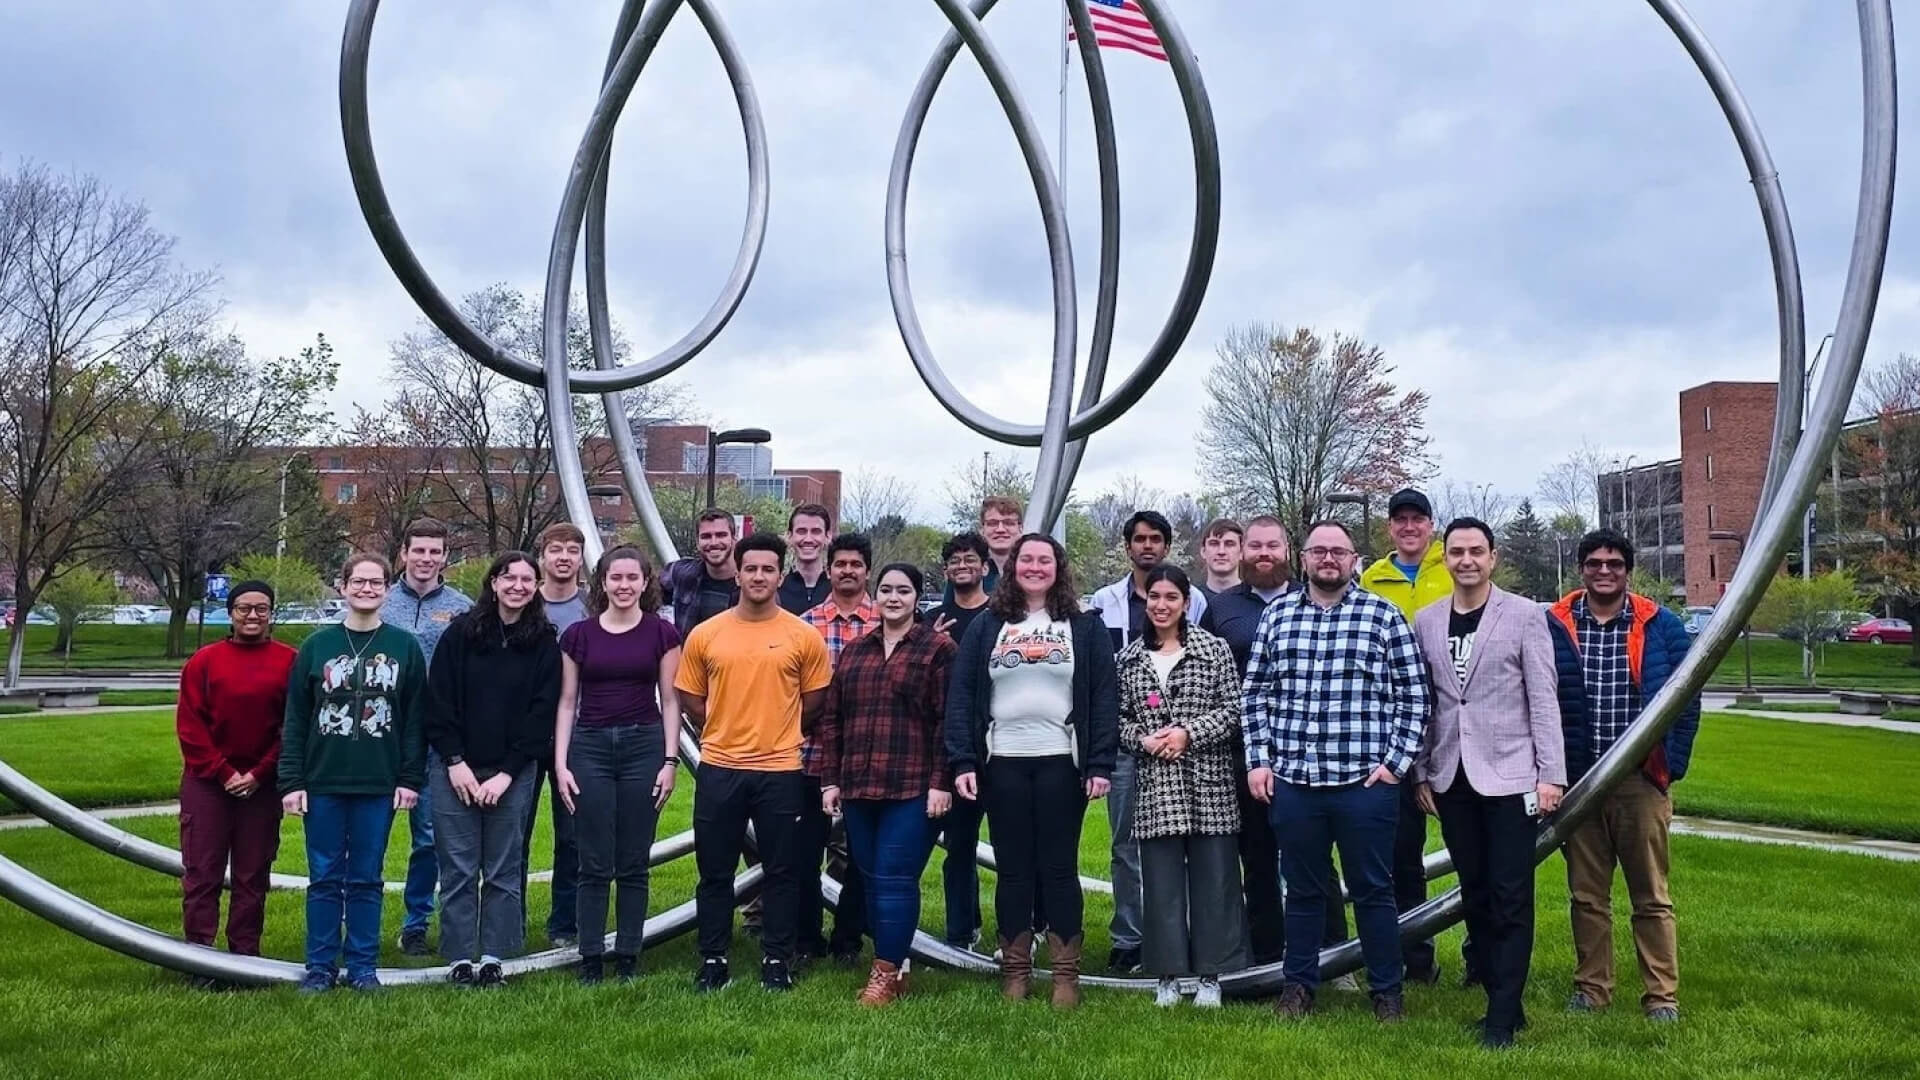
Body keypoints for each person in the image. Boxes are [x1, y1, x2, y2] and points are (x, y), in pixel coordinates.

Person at [1245, 520, 1430, 1022]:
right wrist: (1259, 761)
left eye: (1339, 552)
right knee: (1303, 893)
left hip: (1363, 784)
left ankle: (1386, 991)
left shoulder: (1383, 617)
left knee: (1373, 890)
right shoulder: (1278, 617)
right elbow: (1256, 693)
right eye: (1319, 551)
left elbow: (1415, 697)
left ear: (1354, 561)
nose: (1329, 559)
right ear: (1303, 558)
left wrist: (1395, 765)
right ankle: (1298, 987)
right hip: (1295, 783)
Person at [1410, 518, 1566, 1048]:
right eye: (1457, 552)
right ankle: (1501, 996)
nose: (1467, 560)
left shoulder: (1523, 616)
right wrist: (1423, 769)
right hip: (1452, 777)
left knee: (1510, 893)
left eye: (1476, 551)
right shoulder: (1427, 621)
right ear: (1445, 559)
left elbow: (1544, 699)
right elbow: (1427, 704)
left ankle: (1503, 1014)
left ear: (1493, 557)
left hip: (1511, 776)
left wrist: (1552, 775)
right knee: (1475, 893)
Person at [946, 532, 1117, 1009]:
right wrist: (963, 759)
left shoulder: (1082, 626)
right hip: (1003, 762)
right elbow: (962, 696)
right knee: (1014, 870)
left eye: (1045, 560)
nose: (1035, 567)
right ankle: (1016, 970)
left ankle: (1065, 975)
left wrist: (1100, 762)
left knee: (1059, 869)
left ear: (1058, 567)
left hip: (1062, 763)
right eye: (1027, 560)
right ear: (1012, 567)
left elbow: (1104, 697)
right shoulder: (988, 626)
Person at [1549, 528, 1699, 1023]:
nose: (1604, 571)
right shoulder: (1555, 624)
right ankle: (1592, 989)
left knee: (1650, 895)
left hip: (1639, 780)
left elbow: (1687, 698)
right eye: (1594, 563)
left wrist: (1668, 765)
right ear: (1582, 569)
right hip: (1581, 782)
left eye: (1614, 563)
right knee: (1587, 896)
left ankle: (1662, 996)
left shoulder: (1662, 625)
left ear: (1627, 570)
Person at [676, 533, 833, 992]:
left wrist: (777, 729)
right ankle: (713, 957)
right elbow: (690, 696)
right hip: (720, 765)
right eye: (751, 569)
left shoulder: (802, 635)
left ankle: (776, 960)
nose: (759, 576)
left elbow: (815, 700)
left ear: (779, 574)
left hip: (782, 769)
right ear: (738, 573)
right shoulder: (707, 634)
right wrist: (724, 725)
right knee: (715, 871)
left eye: (768, 569)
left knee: (783, 870)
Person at [280, 552, 427, 993]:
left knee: (367, 876)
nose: (367, 589)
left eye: (376, 583)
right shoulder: (316, 647)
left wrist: (409, 778)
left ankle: (363, 965)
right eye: (358, 582)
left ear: (386, 589)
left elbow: (415, 721)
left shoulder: (404, 647)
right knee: (324, 877)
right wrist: (292, 782)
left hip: (377, 783)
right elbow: (296, 719)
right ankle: (320, 964)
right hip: (323, 780)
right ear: (342, 587)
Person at [816, 562, 957, 1005]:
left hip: (913, 785)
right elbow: (833, 720)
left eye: (904, 590)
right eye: (886, 590)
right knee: (874, 878)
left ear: (918, 597)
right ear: (874, 597)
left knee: (896, 876)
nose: (894, 598)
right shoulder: (855, 652)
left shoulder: (938, 651)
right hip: (859, 783)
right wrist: (830, 781)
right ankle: (899, 963)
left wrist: (941, 783)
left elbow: (946, 723)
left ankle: (884, 974)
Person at [425, 551, 561, 988]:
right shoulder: (459, 634)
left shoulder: (544, 642)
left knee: (503, 867)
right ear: (495, 582)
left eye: (527, 579)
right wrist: (455, 763)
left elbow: (542, 714)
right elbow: (438, 703)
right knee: (459, 866)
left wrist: (507, 774)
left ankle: (494, 956)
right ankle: (460, 958)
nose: (518, 586)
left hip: (513, 772)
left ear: (536, 587)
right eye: (510, 578)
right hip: (456, 770)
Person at [1118, 564, 1246, 1009]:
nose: (1161, 605)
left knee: (1215, 881)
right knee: (1161, 884)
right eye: (1154, 597)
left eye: (1171, 597)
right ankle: (1168, 975)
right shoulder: (1129, 659)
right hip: (1157, 785)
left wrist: (1188, 733)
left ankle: (1212, 974)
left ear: (1186, 603)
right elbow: (1119, 720)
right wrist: (1144, 739)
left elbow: (1233, 710)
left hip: (1209, 782)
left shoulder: (1215, 651)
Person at [554, 545, 684, 984]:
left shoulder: (662, 634)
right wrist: (562, 763)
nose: (624, 586)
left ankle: (629, 952)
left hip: (643, 746)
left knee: (632, 860)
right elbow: (567, 702)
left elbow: (670, 700)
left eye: (632, 578)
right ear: (603, 583)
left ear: (645, 583)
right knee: (591, 860)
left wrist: (670, 760)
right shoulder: (578, 636)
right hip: (589, 747)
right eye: (616, 578)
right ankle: (590, 955)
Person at [1087, 510, 1206, 975]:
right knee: (1125, 844)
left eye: (1156, 539)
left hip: (1177, 741)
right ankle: (1129, 937)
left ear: (1168, 546)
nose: (1147, 546)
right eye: (1139, 539)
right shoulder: (1104, 600)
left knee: (1180, 841)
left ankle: (1178, 935)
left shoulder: (1191, 601)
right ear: (1127, 546)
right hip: (1125, 739)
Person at [175, 579, 296, 984]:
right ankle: (200, 958)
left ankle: (245, 956)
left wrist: (260, 773)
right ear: (230, 613)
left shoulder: (289, 662)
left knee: (252, 874)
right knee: (202, 871)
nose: (253, 615)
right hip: (208, 783)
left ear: (271, 613)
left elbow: (292, 728)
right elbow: (191, 727)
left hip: (262, 785)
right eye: (244, 608)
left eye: (262, 608)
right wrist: (224, 773)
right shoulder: (204, 662)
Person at [1356, 488, 1452, 985]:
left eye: (1418, 519)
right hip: (1395, 728)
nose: (1410, 527)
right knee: (1401, 853)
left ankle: (1484, 956)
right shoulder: (1373, 580)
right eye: (1401, 520)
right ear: (1390, 528)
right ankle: (1413, 954)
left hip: (1455, 724)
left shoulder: (1451, 567)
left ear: (1430, 526)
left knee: (1472, 844)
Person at [1195, 515, 1300, 967]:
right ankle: (1265, 952)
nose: (1263, 554)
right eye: (1255, 546)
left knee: (1308, 857)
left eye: (1272, 546)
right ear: (1242, 553)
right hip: (1242, 752)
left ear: (1287, 551)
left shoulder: (1312, 599)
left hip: (1304, 749)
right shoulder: (1220, 609)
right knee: (1256, 858)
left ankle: (1329, 950)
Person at [379, 517, 473, 957]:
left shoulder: (462, 607)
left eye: (434, 552)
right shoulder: (378, 600)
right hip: (381, 735)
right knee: (367, 836)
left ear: (445, 557)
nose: (426, 559)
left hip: (437, 739)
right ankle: (353, 920)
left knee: (431, 839)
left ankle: (416, 922)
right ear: (404, 553)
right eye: (418, 550)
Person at [797, 533, 879, 965]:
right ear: (829, 569)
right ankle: (806, 940)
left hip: (868, 761)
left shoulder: (887, 620)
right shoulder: (804, 624)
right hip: (811, 757)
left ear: (867, 569)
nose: (848, 571)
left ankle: (848, 939)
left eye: (856, 564)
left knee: (862, 858)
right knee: (803, 854)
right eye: (841, 564)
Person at [928, 529, 999, 948]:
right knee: (958, 847)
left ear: (986, 567)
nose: (962, 567)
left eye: (970, 560)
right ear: (946, 569)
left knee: (1013, 848)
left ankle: (1021, 929)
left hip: (1000, 745)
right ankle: (961, 930)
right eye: (954, 561)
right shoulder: (933, 620)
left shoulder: (1002, 618)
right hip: (953, 748)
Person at [524, 521, 588, 949]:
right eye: (555, 550)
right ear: (542, 556)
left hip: (580, 736)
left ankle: (564, 924)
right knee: (515, 834)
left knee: (572, 836)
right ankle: (506, 921)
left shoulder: (593, 610)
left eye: (571, 550)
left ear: (581, 559)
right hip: (525, 738)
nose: (563, 557)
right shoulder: (522, 604)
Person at [665, 508, 741, 637]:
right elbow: (648, 590)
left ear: (734, 537)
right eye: (706, 536)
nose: (714, 543)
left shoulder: (751, 583)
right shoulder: (682, 572)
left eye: (721, 535)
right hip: (688, 655)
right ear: (697, 542)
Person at [941, 495, 1023, 605]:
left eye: (1008, 523)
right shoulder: (966, 569)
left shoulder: (1034, 568)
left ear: (1020, 528)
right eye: (992, 523)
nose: (1000, 529)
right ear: (982, 529)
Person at [778, 503, 835, 615]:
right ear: (789, 537)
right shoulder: (777, 589)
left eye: (816, 531)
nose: (808, 539)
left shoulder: (837, 589)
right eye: (801, 531)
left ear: (828, 536)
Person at [1196, 518, 1244, 600]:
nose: (1221, 551)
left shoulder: (1257, 602)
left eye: (1229, 544)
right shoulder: (1192, 600)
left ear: (1241, 552)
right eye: (1214, 544)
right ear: (1203, 551)